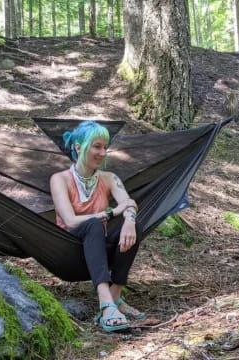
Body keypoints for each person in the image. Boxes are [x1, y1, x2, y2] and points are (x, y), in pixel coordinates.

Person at [50, 120, 146, 332]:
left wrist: (129, 220)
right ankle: (105, 303)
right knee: (93, 223)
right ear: (78, 147)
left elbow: (129, 203)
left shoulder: (109, 178)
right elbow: (71, 221)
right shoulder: (60, 180)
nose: (103, 153)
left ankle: (115, 297)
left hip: (99, 251)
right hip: (70, 252)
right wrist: (111, 212)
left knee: (133, 225)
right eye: (97, 146)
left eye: (105, 147)